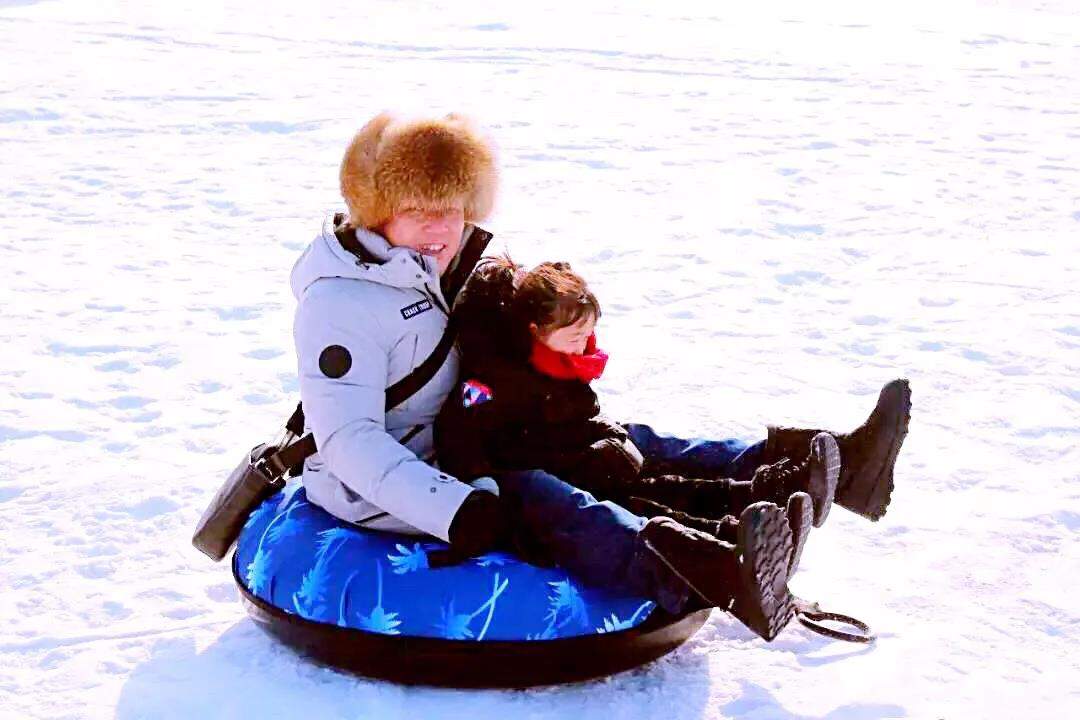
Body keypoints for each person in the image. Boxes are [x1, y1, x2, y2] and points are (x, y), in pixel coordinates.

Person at [289, 111, 912, 642]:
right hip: (394, 480)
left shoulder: (436, 269)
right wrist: (457, 507)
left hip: (473, 433)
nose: (441, 231)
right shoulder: (341, 305)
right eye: (419, 212)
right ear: (375, 211)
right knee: (552, 498)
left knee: (619, 442)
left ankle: (825, 470)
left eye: (451, 211)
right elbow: (350, 441)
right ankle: (719, 574)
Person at [433, 255, 841, 570]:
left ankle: (777, 484)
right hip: (540, 479)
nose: (585, 345)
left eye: (588, 333)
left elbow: (577, 419)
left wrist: (610, 440)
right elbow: (459, 433)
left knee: (654, 459)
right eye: (575, 336)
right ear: (536, 331)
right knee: (644, 499)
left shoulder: (559, 363)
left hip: (578, 459)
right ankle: (728, 543)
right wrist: (481, 489)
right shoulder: (498, 380)